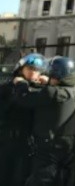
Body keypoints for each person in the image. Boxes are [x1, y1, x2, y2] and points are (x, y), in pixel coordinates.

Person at [13, 56, 75, 186]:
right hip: (68, 146)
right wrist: (49, 82)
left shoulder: (52, 93)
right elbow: (60, 91)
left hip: (48, 146)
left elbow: (24, 99)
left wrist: (21, 83)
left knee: (41, 180)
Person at [0, 53, 47, 186]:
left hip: (29, 140)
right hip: (7, 138)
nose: (34, 73)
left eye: (37, 70)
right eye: (30, 69)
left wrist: (47, 83)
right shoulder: (8, 88)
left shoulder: (43, 90)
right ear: (21, 69)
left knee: (23, 176)